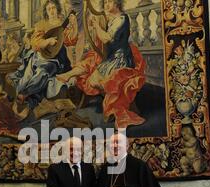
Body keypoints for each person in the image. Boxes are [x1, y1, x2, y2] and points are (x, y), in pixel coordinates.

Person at [57, 0, 146, 129]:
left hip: (121, 59)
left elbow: (106, 38)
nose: (106, 5)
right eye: (105, 3)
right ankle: (110, 104)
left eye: (110, 2)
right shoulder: (112, 19)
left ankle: (114, 107)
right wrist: (95, 25)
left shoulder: (122, 18)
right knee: (92, 80)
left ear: (117, 3)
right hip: (111, 58)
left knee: (101, 81)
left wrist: (97, 26)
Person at [7, 0, 74, 109]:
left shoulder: (63, 24)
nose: (52, 11)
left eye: (53, 8)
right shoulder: (42, 24)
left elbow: (71, 40)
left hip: (57, 59)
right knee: (29, 72)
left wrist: (74, 24)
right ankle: (18, 94)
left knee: (42, 71)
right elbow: (35, 43)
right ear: (46, 12)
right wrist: (48, 41)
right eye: (49, 9)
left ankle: (24, 94)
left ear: (58, 9)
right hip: (41, 56)